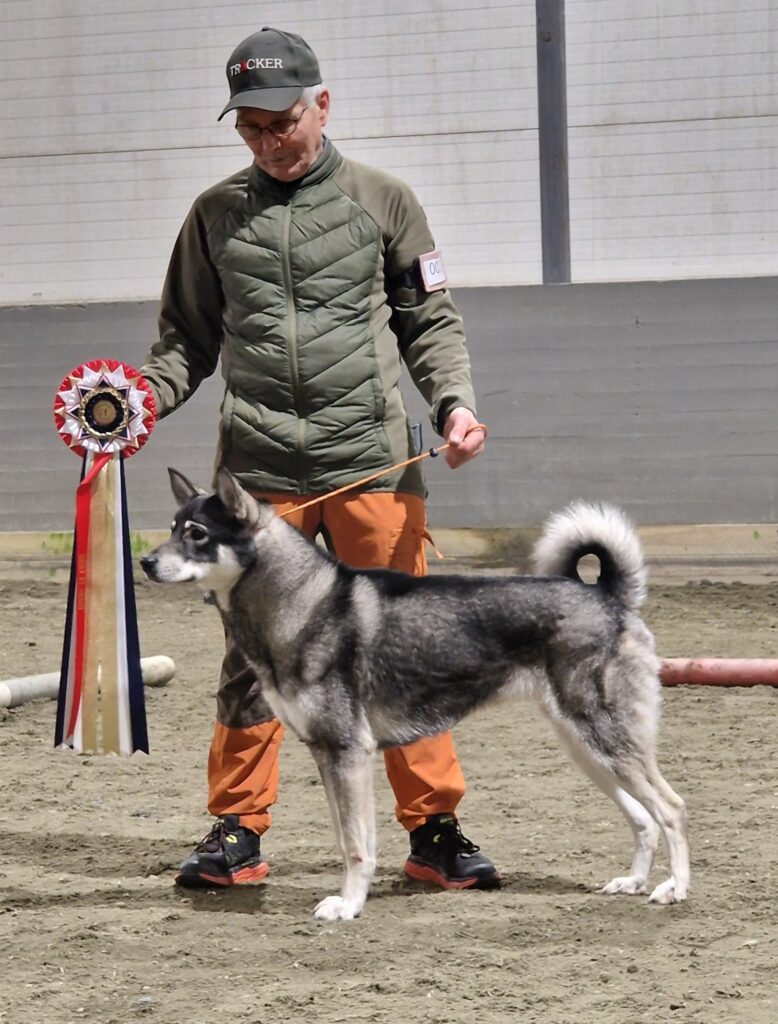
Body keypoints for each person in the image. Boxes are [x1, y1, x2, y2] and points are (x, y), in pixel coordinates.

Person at [141, 26, 499, 894]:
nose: (269, 140)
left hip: (370, 464)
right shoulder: (215, 214)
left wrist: (453, 405)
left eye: (282, 122)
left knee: (405, 647)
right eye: (251, 128)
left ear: (321, 105)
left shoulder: (385, 200)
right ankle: (236, 831)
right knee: (251, 656)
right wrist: (138, 401)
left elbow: (429, 321)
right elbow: (184, 340)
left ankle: (435, 832)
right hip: (254, 484)